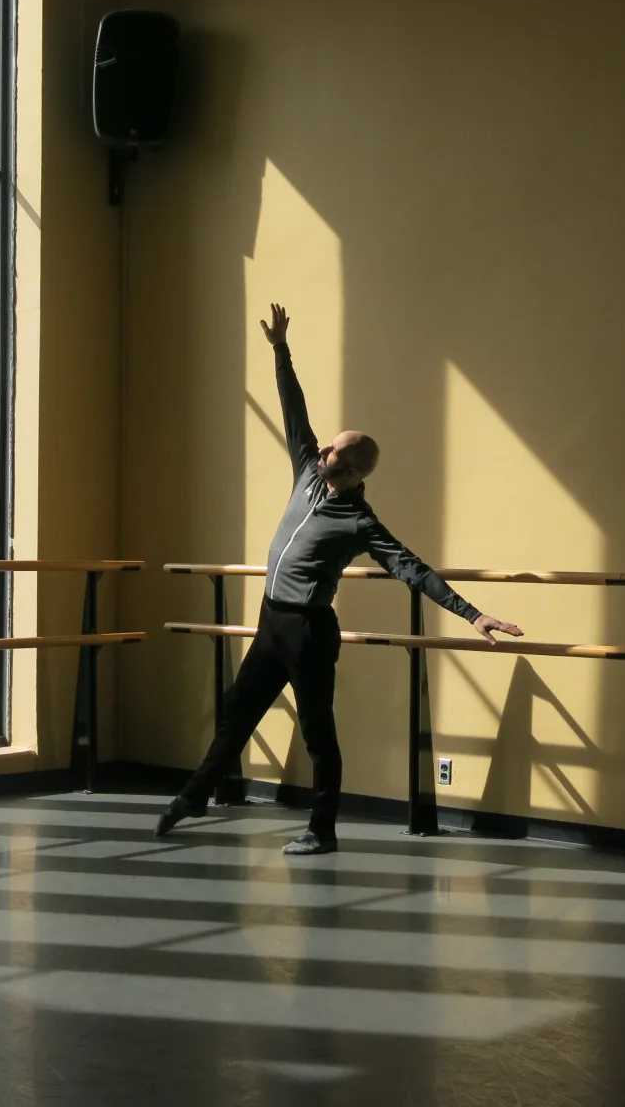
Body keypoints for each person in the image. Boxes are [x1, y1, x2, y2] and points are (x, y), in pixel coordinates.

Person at [155, 304, 523, 855]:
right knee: (237, 713)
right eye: (326, 444)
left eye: (334, 449)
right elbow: (293, 410)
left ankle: (322, 830)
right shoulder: (308, 471)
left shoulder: (359, 521)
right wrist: (281, 349)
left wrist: (473, 614)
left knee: (317, 734)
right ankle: (193, 797)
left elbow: (411, 567)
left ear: (351, 471)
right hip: (272, 622)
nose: (322, 447)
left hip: (308, 632)